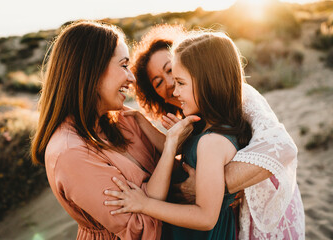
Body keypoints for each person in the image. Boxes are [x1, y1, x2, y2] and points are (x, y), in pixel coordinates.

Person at [127, 24, 305, 239]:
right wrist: (140, 120)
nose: (171, 84)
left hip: (260, 209)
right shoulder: (198, 117)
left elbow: (283, 147)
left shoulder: (239, 100)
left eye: (171, 71)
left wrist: (214, 186)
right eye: (158, 82)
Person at [31, 20, 198, 239]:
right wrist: (171, 148)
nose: (131, 78)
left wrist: (204, 185)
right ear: (92, 69)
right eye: (123, 65)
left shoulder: (122, 119)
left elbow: (174, 172)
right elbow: (139, 229)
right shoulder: (70, 153)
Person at [104, 31, 254, 239]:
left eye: (180, 82)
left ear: (206, 81)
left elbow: (205, 217)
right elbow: (174, 147)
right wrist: (141, 121)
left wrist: (145, 204)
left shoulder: (211, 141)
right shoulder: (207, 126)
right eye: (159, 82)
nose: (173, 90)